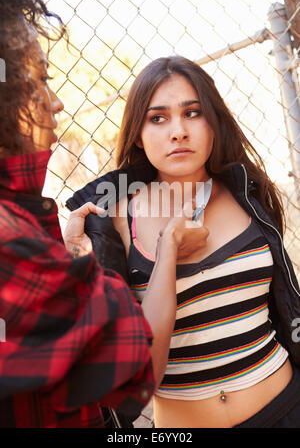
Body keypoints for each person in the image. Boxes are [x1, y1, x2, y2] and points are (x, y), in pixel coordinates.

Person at [67, 54, 300, 428]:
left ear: (214, 123)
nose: (178, 131)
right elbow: (142, 373)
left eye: (192, 112)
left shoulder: (248, 194)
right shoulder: (112, 221)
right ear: (139, 136)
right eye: (157, 118)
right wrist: (167, 254)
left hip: (285, 408)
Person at [0, 0, 161, 428]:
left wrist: (62, 252)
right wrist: (98, 258)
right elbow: (126, 366)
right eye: (43, 79)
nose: (58, 103)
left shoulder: (25, 215)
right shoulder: (7, 236)